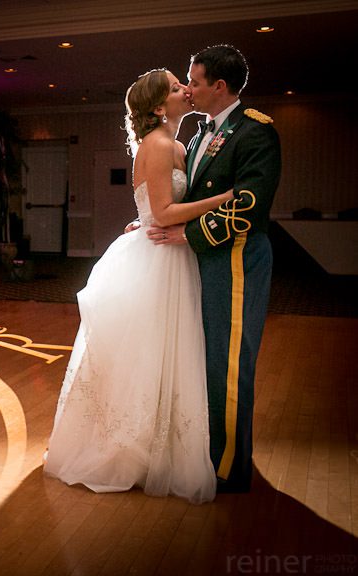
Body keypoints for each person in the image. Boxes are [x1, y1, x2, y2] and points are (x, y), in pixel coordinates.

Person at [43, 69, 233, 504]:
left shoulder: (177, 144)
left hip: (171, 254)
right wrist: (227, 198)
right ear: (158, 107)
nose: (184, 88)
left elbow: (158, 208)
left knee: (164, 353)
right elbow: (165, 214)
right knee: (150, 354)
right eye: (174, 87)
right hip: (159, 258)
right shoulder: (161, 145)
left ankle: (158, 446)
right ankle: (132, 450)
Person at [146, 45, 282, 493]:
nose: (188, 88)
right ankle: (202, 453)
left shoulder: (255, 131)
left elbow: (249, 204)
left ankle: (227, 468)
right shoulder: (202, 133)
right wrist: (149, 219)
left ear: (218, 87)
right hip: (202, 263)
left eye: (195, 81)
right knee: (200, 360)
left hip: (236, 261)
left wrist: (189, 235)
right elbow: (184, 198)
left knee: (228, 364)